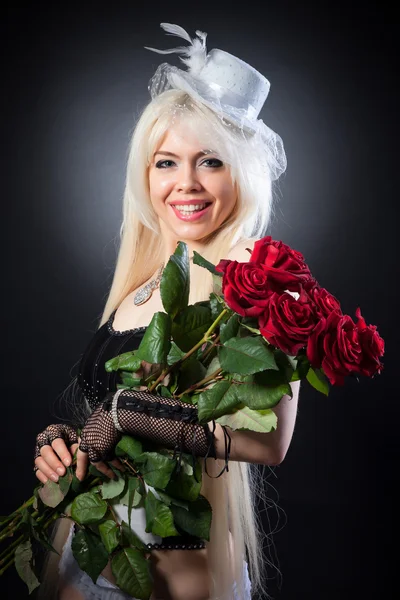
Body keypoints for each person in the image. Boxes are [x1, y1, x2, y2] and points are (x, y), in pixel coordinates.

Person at [33, 23, 300, 600]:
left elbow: (272, 441)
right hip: (90, 566)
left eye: (209, 161)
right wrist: (66, 449)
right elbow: (108, 421)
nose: (186, 184)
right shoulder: (142, 286)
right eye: (165, 163)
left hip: (185, 585)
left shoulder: (258, 279)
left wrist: (130, 415)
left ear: (240, 172)